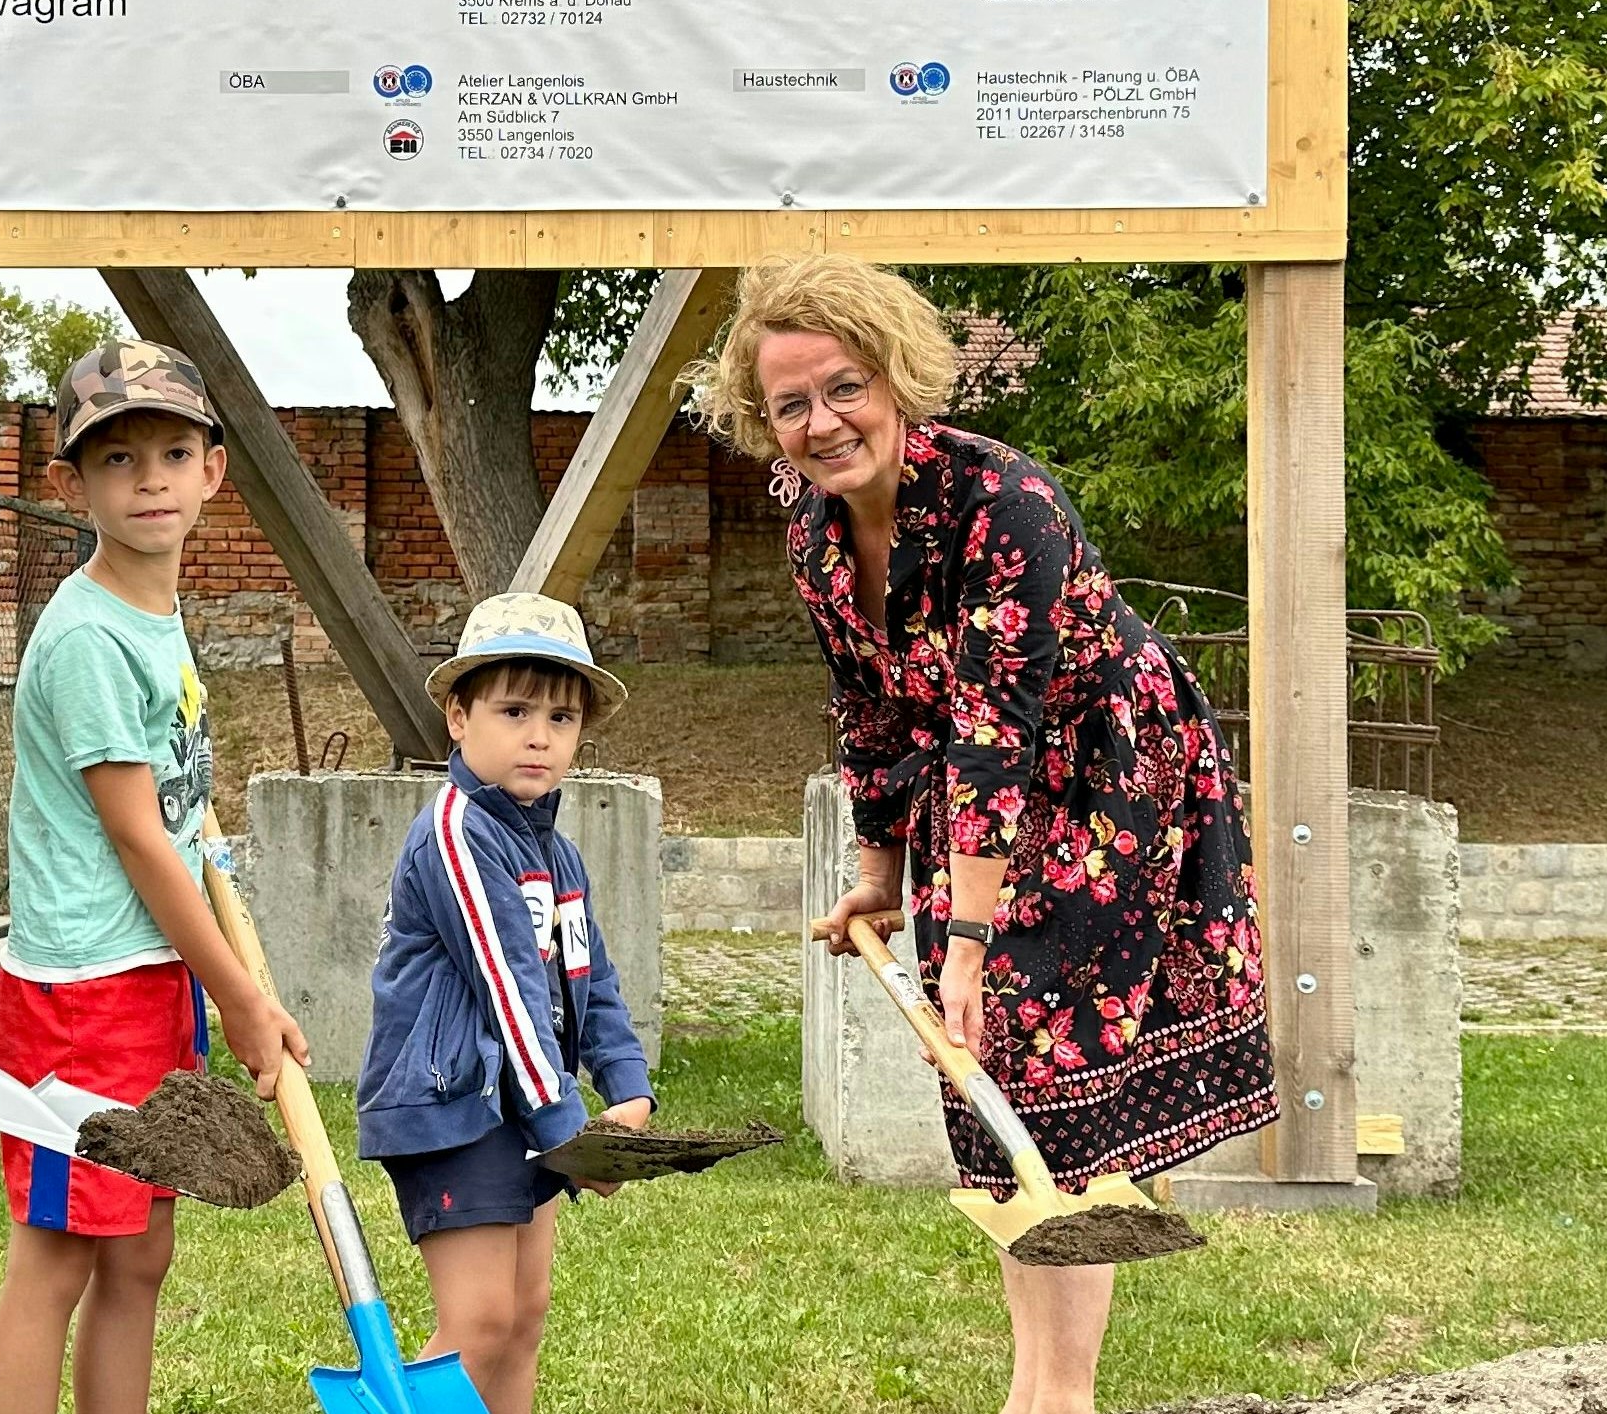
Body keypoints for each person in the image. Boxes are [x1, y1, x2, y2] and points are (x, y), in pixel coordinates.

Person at [689, 254, 1278, 1414]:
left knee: (1046, 1066)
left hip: (1105, 782)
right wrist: (874, 877)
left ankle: (1054, 1399)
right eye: (790, 403)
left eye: (843, 387)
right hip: (976, 802)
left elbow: (992, 725)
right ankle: (1041, 1390)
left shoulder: (1002, 503)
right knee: (992, 1080)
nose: (820, 422)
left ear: (897, 377)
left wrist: (961, 938)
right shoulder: (813, 539)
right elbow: (866, 710)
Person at [0, 340, 311, 1414]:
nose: (151, 478)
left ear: (214, 470)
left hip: (146, 975)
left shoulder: (152, 618)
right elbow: (138, 841)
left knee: (139, 1256)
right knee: (61, 1258)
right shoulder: (83, 637)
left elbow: (179, 813)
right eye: (118, 460)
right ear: (72, 485)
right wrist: (244, 1001)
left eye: (174, 451)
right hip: (84, 992)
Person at [353, 592, 656, 1414]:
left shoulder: (553, 849)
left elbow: (588, 976)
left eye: (561, 718)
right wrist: (569, 1132)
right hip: (451, 1104)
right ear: (458, 716)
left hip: (519, 1107)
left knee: (522, 1318)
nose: (538, 735)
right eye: (514, 709)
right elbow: (508, 987)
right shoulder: (457, 831)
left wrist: (626, 1081)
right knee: (478, 1320)